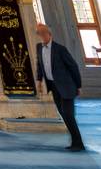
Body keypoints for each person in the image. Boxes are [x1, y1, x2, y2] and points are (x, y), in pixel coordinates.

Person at [33, 23, 84, 151]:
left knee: (68, 114)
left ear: (49, 34)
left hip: (66, 86)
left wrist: (78, 85)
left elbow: (73, 67)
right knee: (63, 113)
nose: (41, 35)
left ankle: (78, 143)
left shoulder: (60, 49)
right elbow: (40, 65)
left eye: (43, 33)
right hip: (53, 86)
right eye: (39, 33)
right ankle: (75, 142)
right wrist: (39, 80)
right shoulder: (39, 47)